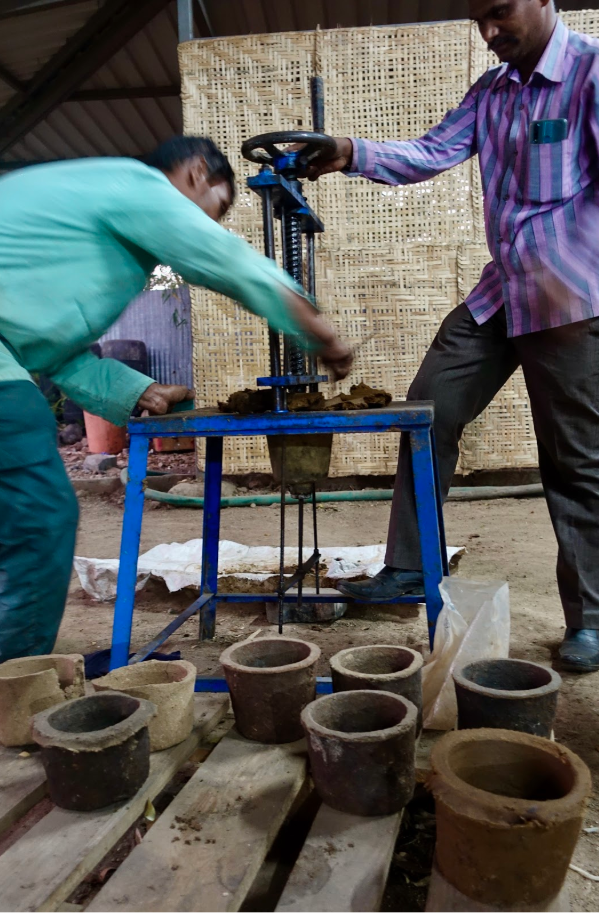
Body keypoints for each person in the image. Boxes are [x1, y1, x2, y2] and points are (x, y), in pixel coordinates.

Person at [305, 0, 599, 672]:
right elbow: (432, 150)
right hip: (501, 292)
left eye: (498, 13)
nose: (489, 32)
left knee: (575, 461)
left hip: (571, 298)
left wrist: (579, 267)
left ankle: (591, 620)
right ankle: (408, 569)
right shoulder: (491, 92)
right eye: (478, 20)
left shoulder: (588, 73)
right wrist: (349, 151)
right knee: (424, 411)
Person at [0, 135, 353, 662]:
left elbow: (51, 355)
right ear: (194, 174)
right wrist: (317, 330)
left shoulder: (85, 212)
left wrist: (135, 388)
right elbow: (224, 260)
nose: (215, 223)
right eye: (220, 206)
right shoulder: (134, 184)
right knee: (40, 517)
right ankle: (17, 680)